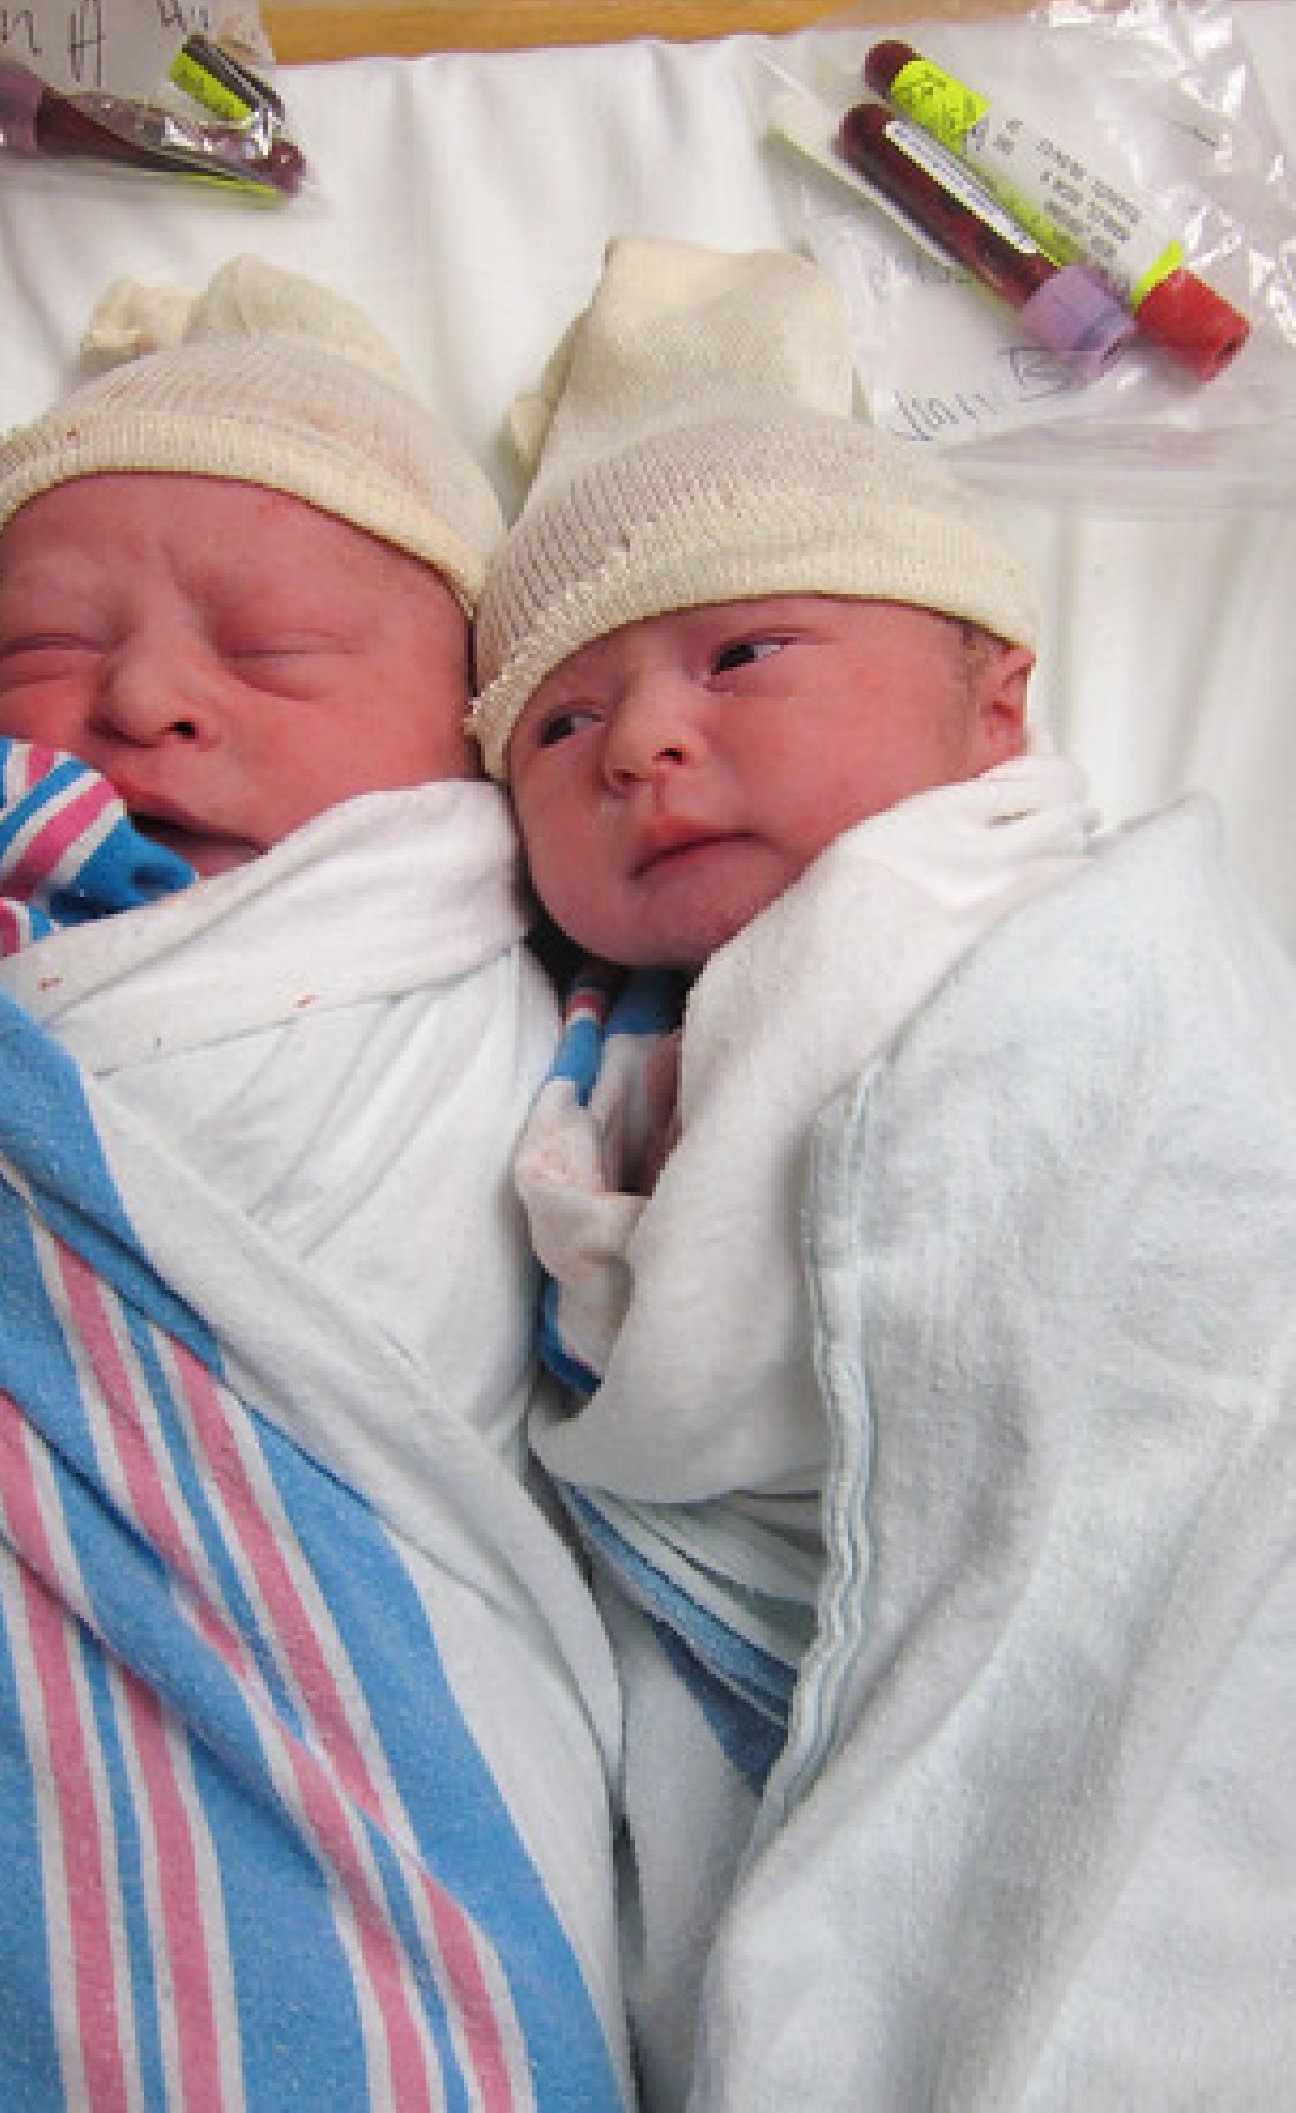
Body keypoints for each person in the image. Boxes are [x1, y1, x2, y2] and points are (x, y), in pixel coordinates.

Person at [0, 257, 633, 2113]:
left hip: (370, 1719)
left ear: (468, 725)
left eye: (270, 650)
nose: (137, 695)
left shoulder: (511, 983)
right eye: (42, 649)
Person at [468, 238, 1296, 2109]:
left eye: (742, 655)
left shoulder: (1042, 927)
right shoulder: (596, 1054)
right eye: (559, 725)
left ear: (993, 710)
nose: (643, 743)